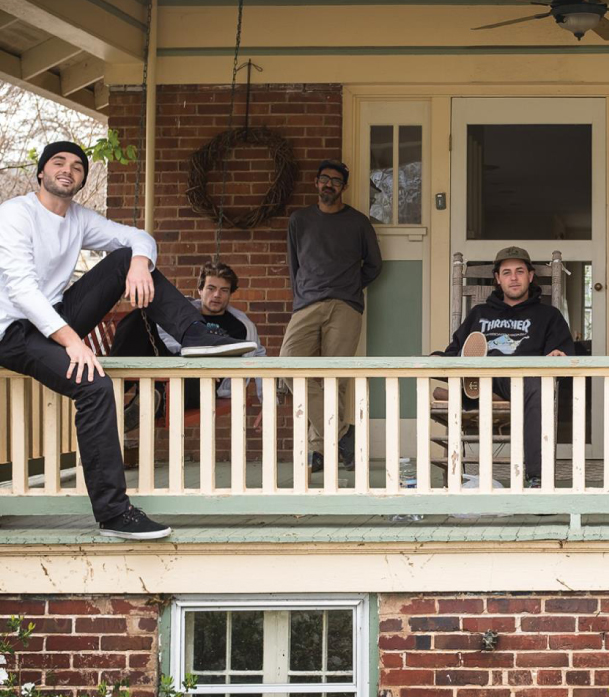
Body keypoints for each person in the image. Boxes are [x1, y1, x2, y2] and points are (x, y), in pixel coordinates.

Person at [0, 142, 257, 540]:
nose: (68, 170)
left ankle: (194, 334)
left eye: (77, 166)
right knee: (95, 387)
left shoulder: (79, 218)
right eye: (58, 162)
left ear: (82, 180)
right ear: (41, 172)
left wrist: (138, 262)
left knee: (125, 258)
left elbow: (138, 236)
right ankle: (114, 514)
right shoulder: (16, 214)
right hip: (13, 331)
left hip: (55, 317)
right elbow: (22, 292)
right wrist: (73, 342)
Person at [437, 246, 573, 488]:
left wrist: (557, 356)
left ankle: (536, 477)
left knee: (535, 384)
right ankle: (473, 379)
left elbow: (563, 358)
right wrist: (445, 359)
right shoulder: (479, 313)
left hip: (523, 379)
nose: (514, 278)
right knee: (439, 359)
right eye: (507, 272)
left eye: (520, 271)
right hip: (484, 371)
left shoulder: (548, 315)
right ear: (498, 279)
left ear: (530, 276)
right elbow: (453, 351)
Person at [280, 160, 382, 474]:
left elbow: (374, 265)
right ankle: (343, 434)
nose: (329, 184)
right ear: (316, 183)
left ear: (344, 187)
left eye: (336, 181)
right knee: (287, 366)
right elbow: (294, 265)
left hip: (345, 306)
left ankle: (320, 452)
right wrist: (303, 294)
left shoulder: (358, 222)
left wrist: (349, 287)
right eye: (324, 179)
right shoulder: (300, 220)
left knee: (334, 379)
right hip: (307, 304)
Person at [111, 260, 267, 425]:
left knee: (185, 384)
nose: (217, 295)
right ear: (200, 290)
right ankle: (112, 389)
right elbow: (161, 340)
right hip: (168, 362)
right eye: (211, 288)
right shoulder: (182, 312)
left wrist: (267, 402)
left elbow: (259, 356)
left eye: (224, 290)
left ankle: (146, 405)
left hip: (203, 380)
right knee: (139, 316)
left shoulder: (241, 327)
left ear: (230, 294)